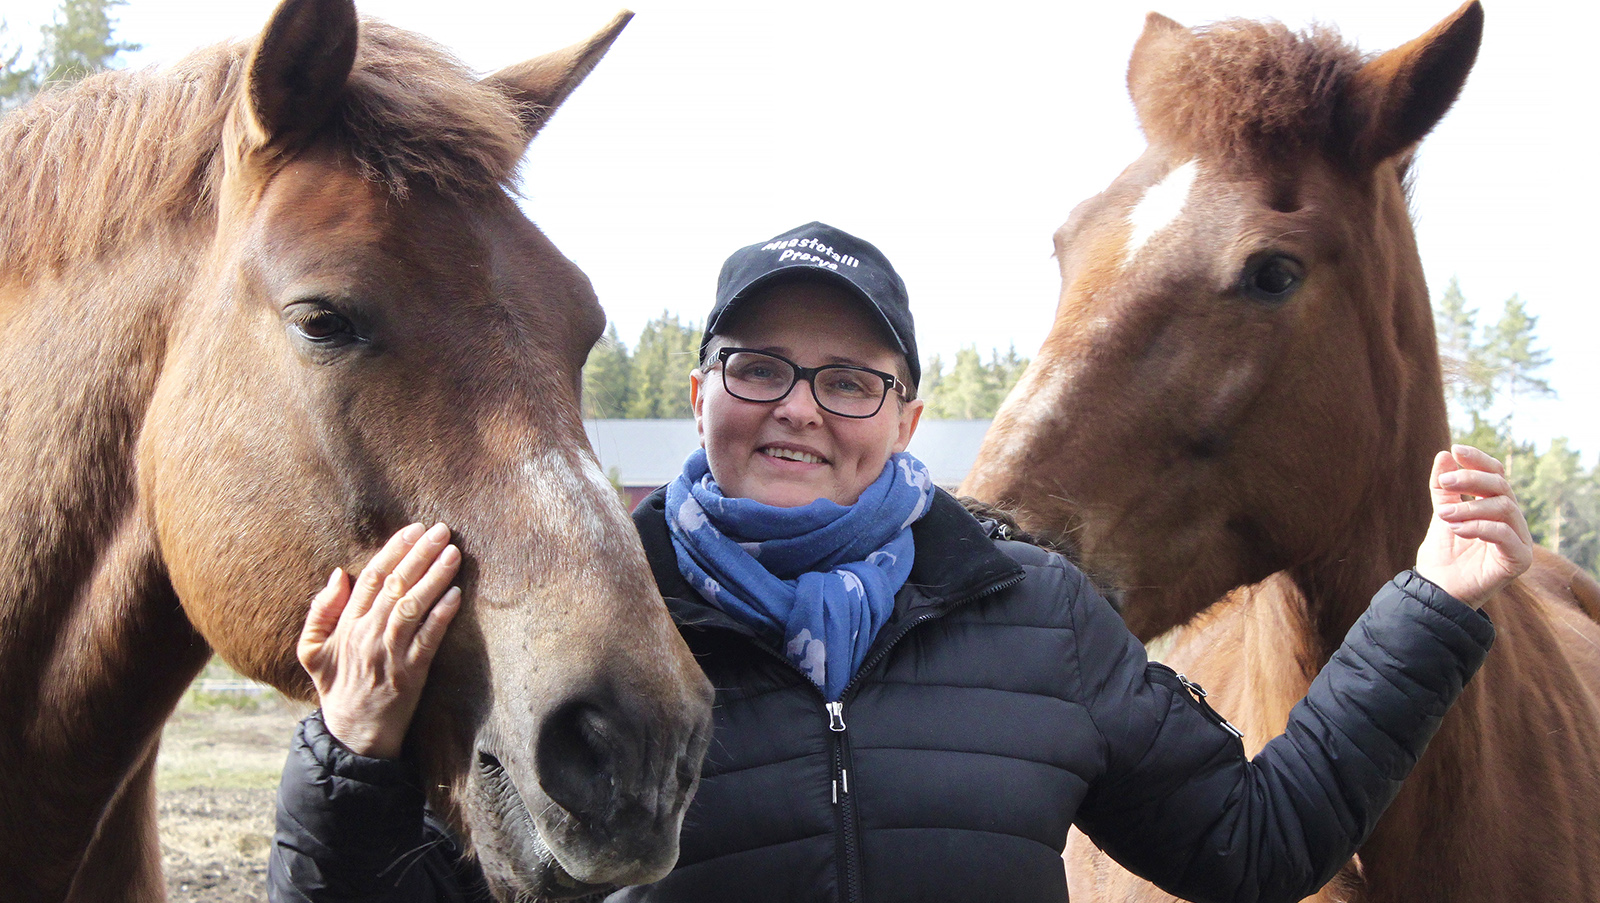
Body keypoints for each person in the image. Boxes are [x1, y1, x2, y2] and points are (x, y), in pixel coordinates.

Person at [269, 222, 1531, 903]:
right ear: (703, 391)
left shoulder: (1032, 612)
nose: (797, 410)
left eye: (849, 380)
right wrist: (348, 756)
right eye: (758, 369)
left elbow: (1254, 848)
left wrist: (1427, 607)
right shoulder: (600, 630)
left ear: (907, 417)